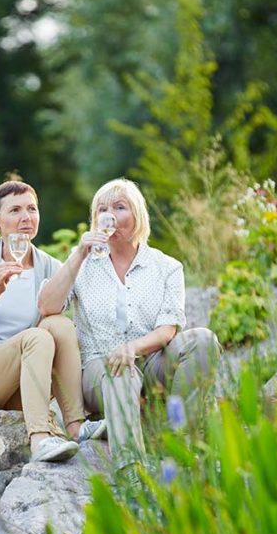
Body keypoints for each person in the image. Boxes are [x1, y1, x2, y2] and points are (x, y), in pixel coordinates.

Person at [38, 178, 221, 455]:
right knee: (120, 371)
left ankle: (182, 439)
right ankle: (132, 472)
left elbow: (168, 330)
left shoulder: (166, 266)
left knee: (203, 339)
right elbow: (47, 307)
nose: (108, 215)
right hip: (100, 371)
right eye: (101, 209)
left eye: (119, 207)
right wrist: (78, 254)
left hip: (152, 365)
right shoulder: (83, 265)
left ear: (137, 216)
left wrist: (132, 349)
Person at [0, 181, 106, 463]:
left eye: (32, 209)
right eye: (15, 210)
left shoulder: (50, 268)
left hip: (22, 388)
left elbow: (64, 333)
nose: (26, 217)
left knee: (59, 325)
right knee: (38, 336)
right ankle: (39, 439)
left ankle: (75, 426)